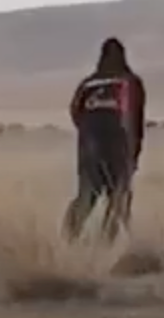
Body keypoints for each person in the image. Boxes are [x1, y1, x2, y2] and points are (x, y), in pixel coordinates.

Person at [62, 36, 149, 242]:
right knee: (119, 195)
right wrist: (135, 150)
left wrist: (87, 135)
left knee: (87, 194)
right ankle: (107, 243)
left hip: (89, 146)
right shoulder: (130, 82)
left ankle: (69, 238)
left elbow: (75, 112)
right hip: (119, 145)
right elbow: (135, 118)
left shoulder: (88, 84)